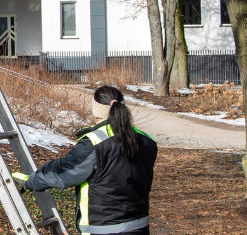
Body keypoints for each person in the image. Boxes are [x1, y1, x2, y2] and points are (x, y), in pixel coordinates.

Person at [12, 86, 157, 235]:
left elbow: (63, 173)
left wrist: (32, 180)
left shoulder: (94, 143)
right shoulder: (147, 141)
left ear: (95, 110)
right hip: (140, 226)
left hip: (103, 229)